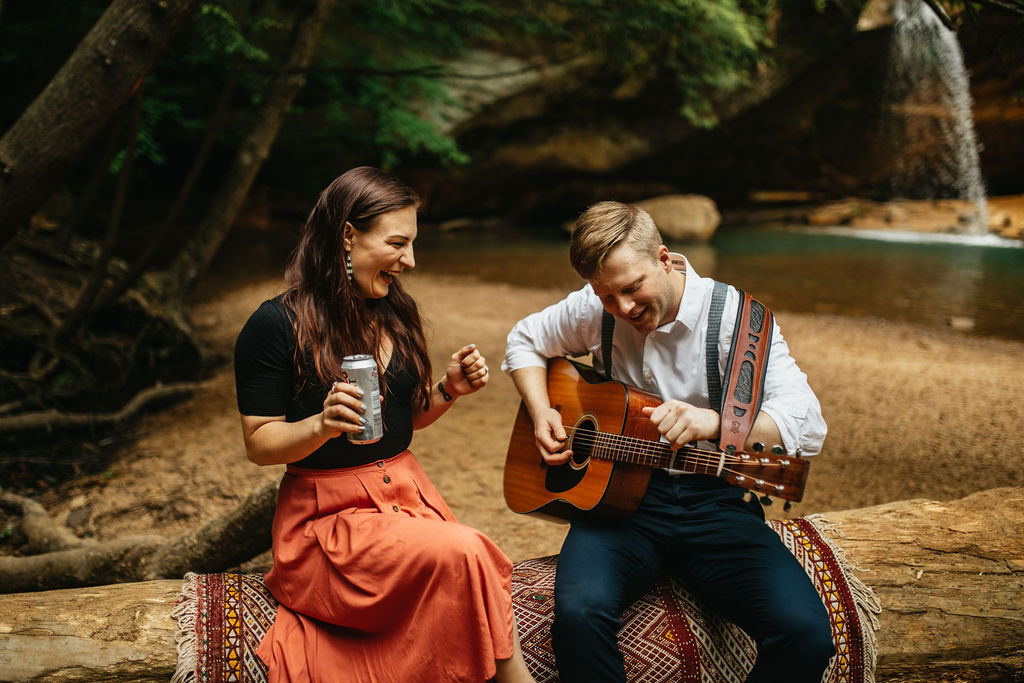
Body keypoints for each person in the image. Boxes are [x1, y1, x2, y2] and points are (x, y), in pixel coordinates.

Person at [501, 201, 835, 682]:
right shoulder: (597, 307)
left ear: (664, 259)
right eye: (606, 296)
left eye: (632, 288)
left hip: (715, 501)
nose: (623, 308)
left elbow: (808, 423)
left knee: (806, 635)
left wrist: (715, 422)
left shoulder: (737, 320)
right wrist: (541, 412)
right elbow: (525, 340)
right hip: (620, 505)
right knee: (578, 616)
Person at [234, 166, 535, 683]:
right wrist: (321, 425)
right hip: (327, 522)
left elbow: (403, 420)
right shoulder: (274, 325)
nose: (410, 261)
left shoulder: (396, 312)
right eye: (397, 243)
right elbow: (259, 443)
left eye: (412, 244)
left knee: (470, 563)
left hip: (408, 497)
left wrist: (447, 391)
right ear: (348, 236)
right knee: (467, 552)